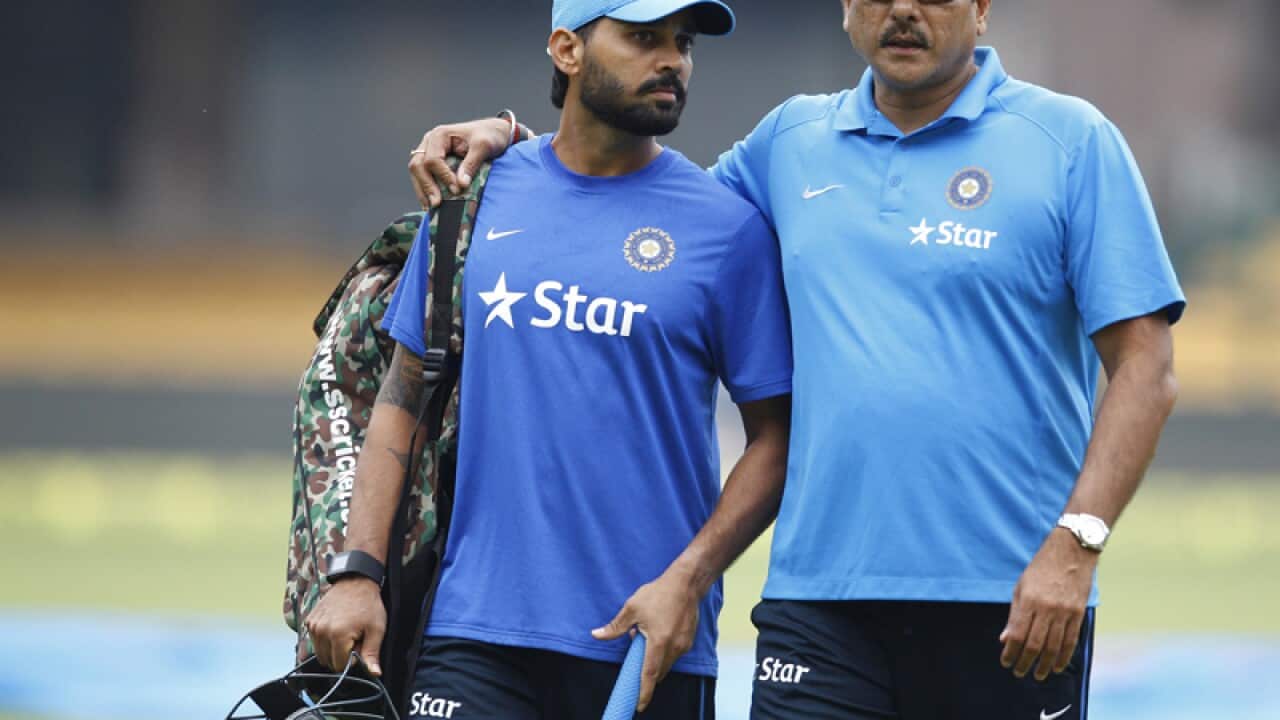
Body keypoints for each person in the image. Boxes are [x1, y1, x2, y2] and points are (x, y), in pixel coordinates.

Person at [408, 1, 1186, 717]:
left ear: (981, 9)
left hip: (1013, 597)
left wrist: (1076, 545)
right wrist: (515, 141)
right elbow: (641, 202)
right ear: (846, 9)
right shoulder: (792, 141)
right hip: (816, 604)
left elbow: (1146, 371)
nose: (903, 10)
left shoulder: (1071, 142)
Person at [305, 1, 794, 718]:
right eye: (643, 37)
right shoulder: (473, 201)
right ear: (567, 50)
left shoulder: (727, 228)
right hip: (471, 634)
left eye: (683, 42)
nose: (672, 60)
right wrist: (358, 575)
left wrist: (688, 581)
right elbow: (400, 401)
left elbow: (776, 438)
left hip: (647, 641)